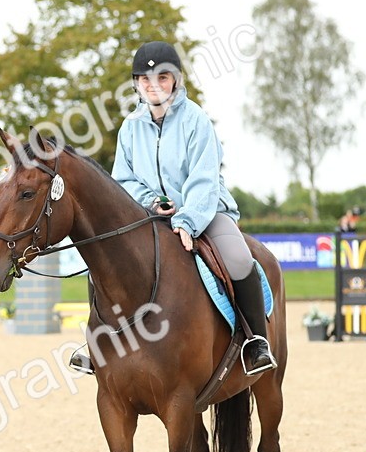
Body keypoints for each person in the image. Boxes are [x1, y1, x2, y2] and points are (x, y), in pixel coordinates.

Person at [110, 41, 276, 375]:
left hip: (206, 210)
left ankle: (256, 342)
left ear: (175, 80)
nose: (153, 85)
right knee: (107, 257)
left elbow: (204, 179)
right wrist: (152, 202)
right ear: (136, 83)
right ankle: (104, 342)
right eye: (144, 79)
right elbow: (122, 180)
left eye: (162, 77)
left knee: (240, 258)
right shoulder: (129, 127)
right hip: (151, 215)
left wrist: (186, 220)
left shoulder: (196, 119)